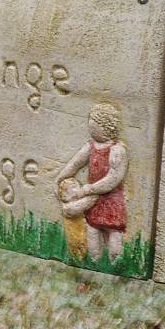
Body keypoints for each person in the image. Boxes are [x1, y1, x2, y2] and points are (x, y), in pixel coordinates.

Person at [57, 101, 129, 264]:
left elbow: (113, 178)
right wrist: (60, 178)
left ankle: (115, 261)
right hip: (93, 201)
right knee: (92, 229)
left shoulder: (117, 150)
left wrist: (89, 189)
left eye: (95, 123)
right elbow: (75, 164)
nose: (91, 126)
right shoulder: (90, 147)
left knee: (113, 231)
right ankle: (94, 259)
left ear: (106, 126)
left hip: (110, 200)